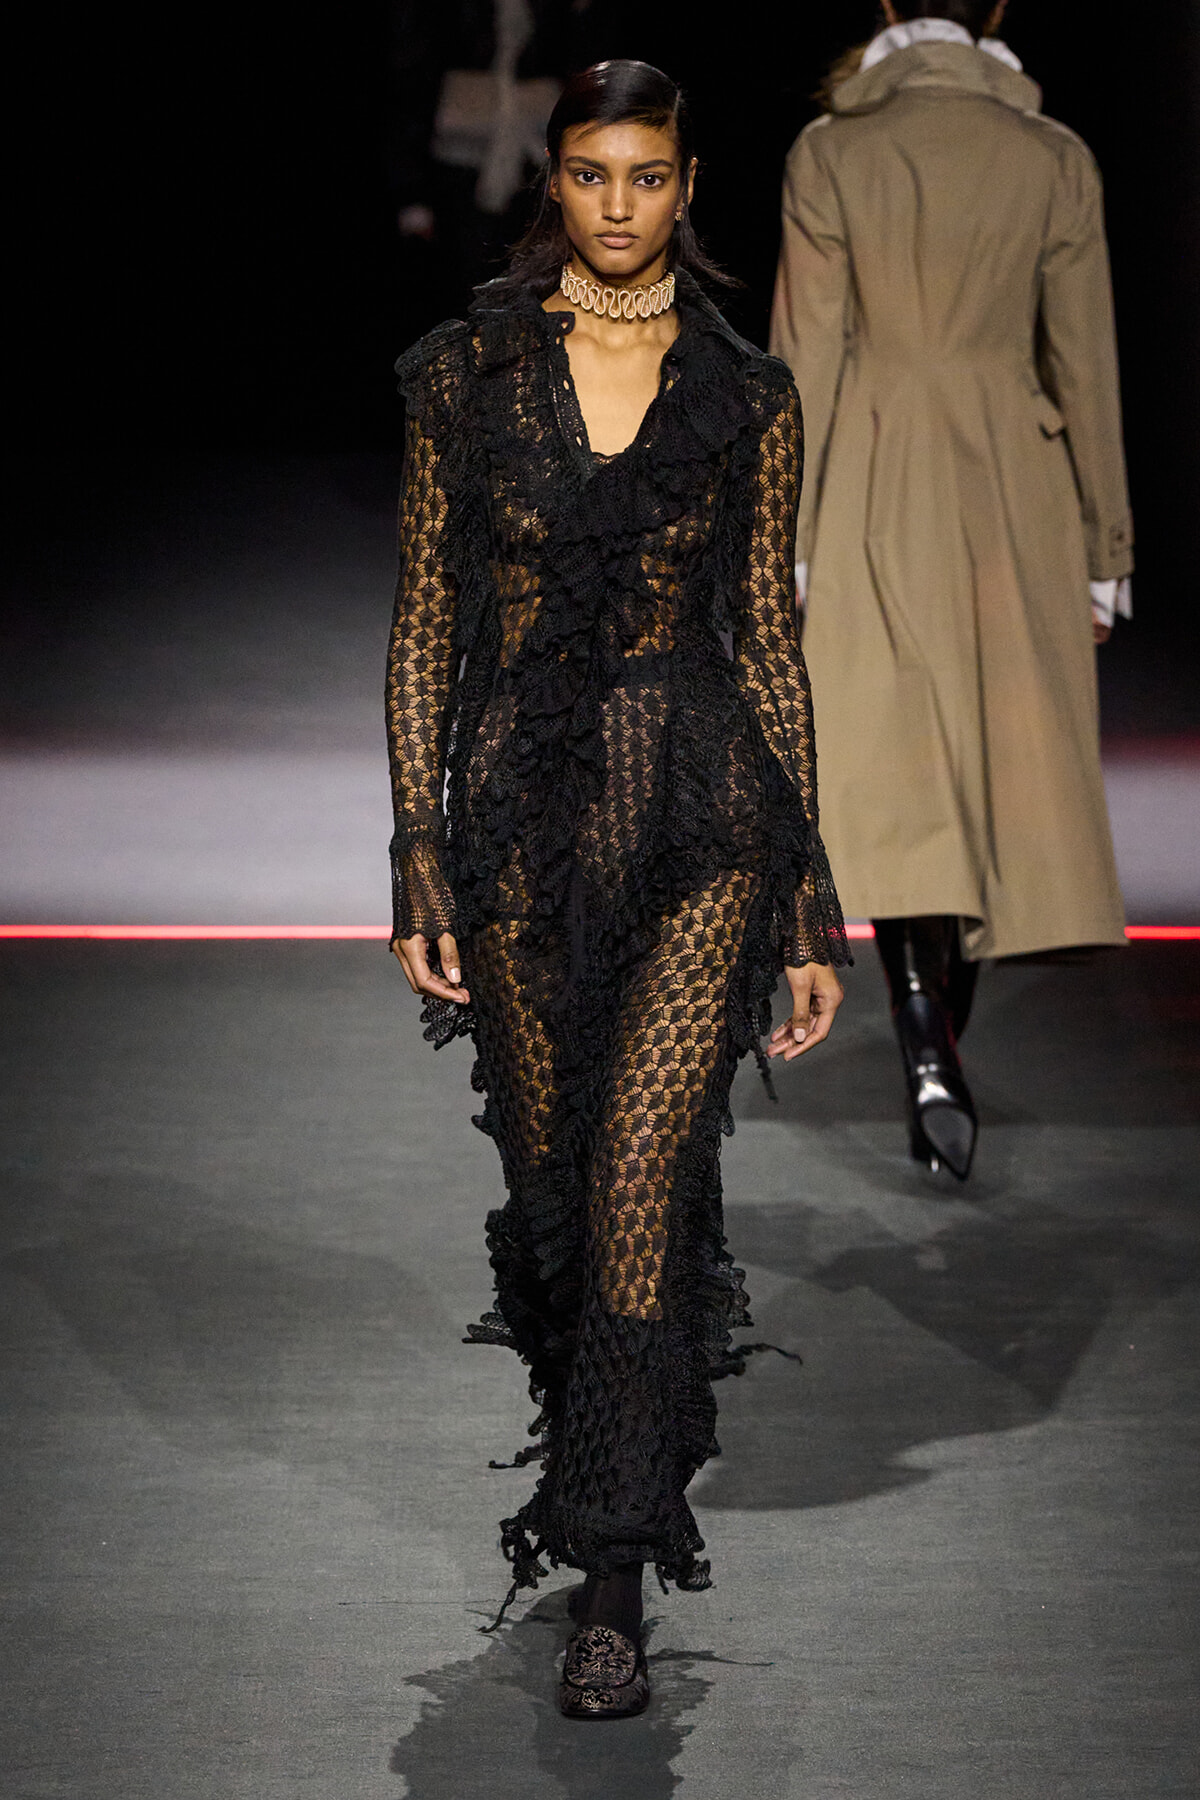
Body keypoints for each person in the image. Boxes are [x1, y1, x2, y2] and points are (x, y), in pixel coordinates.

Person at [387, 59, 848, 1719]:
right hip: (516, 818)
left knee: (645, 1168)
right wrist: (418, 849)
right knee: (558, 1189)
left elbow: (772, 648)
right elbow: (429, 624)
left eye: (648, 177)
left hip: (700, 812)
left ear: (688, 186)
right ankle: (608, 1481)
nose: (619, 205)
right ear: (558, 184)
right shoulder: (467, 378)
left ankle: (610, 1580)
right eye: (591, 174)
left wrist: (811, 900)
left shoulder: (747, 394)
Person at [769, 0, 1134, 1181]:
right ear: (999, 17)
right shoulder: (1054, 154)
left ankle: (925, 1035)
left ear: (881, 16)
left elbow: (807, 355)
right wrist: (1104, 544)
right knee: (981, 764)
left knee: (902, 765)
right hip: (1015, 480)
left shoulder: (833, 151)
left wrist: (788, 534)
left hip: (874, 467)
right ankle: (937, 1041)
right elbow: (1084, 357)